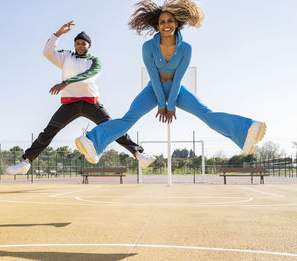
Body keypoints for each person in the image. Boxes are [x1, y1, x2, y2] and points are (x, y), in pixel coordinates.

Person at [75, 0, 266, 164]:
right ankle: (92, 141)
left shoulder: (186, 49)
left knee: (206, 114)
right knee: (128, 119)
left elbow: (179, 78)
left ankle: (246, 132)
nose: (166, 24)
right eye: (162, 22)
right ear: (157, 26)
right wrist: (161, 104)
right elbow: (154, 77)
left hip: (177, 89)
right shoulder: (148, 47)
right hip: (154, 89)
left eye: (170, 21)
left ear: (177, 23)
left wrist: (171, 105)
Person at [6, 21, 155, 175]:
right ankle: (26, 162)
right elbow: (47, 53)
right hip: (69, 105)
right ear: (74, 45)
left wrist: (65, 83)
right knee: (48, 131)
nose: (80, 46)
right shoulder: (66, 57)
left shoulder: (94, 61)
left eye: (83, 43)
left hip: (90, 103)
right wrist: (57, 34)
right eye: (77, 43)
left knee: (113, 128)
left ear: (89, 45)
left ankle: (139, 154)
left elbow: (88, 76)